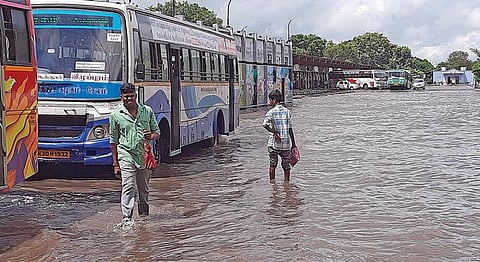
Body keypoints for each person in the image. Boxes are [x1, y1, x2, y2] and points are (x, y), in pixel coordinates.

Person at [109, 83, 160, 228]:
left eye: (131, 96)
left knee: (143, 189)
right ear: (121, 98)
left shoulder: (147, 111)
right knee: (128, 185)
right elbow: (113, 141)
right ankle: (127, 219)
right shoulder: (116, 115)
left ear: (136, 96)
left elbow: (157, 132)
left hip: (144, 156)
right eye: (126, 97)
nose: (129, 99)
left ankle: (144, 216)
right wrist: (115, 164)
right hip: (126, 155)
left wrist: (151, 135)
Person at [263, 89, 296, 182]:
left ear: (274, 100)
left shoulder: (271, 112)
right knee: (286, 166)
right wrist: (293, 144)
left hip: (274, 144)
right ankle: (287, 184)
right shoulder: (287, 112)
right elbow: (290, 129)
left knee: (273, 164)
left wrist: (274, 132)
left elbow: (265, 124)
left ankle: (273, 185)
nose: (270, 102)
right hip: (286, 144)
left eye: (270, 100)